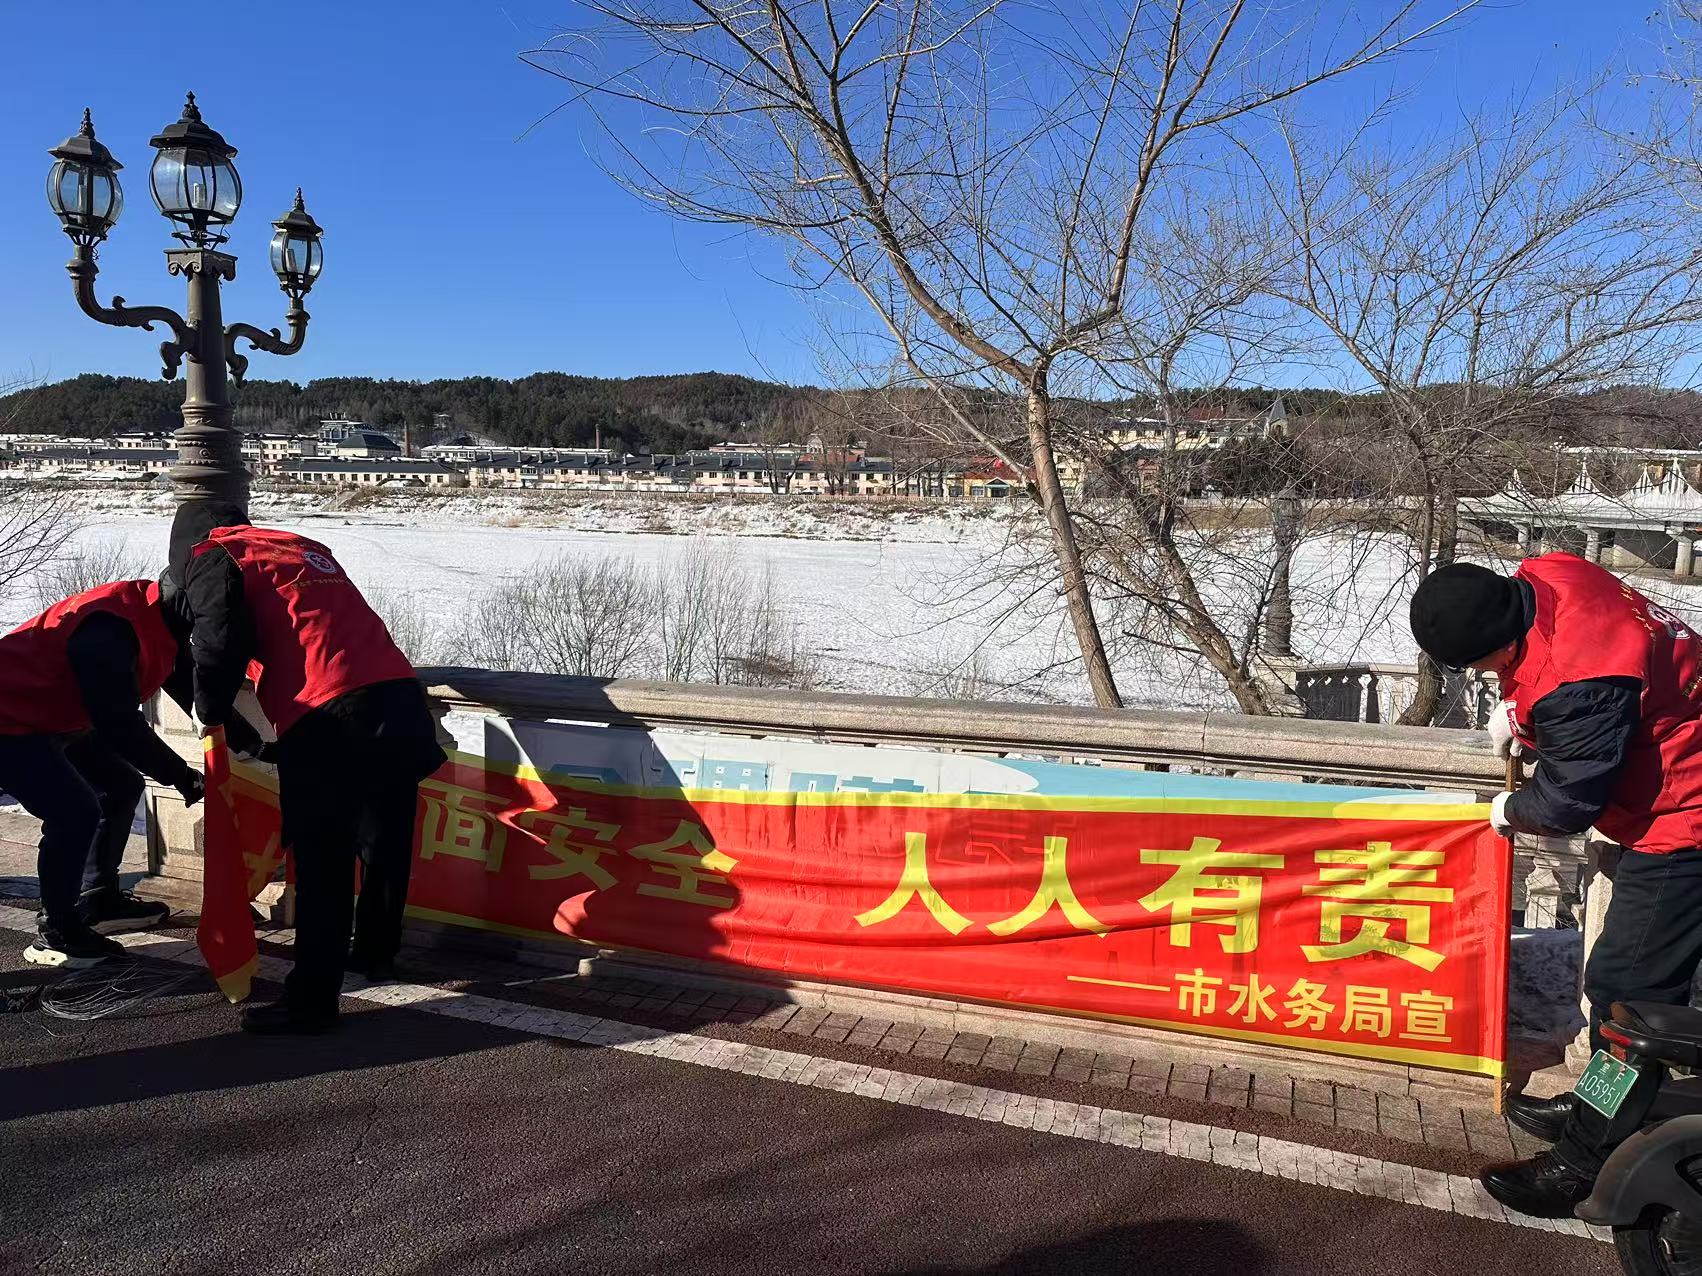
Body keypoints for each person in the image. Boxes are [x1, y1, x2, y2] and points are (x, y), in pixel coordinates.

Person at [1409, 553, 1702, 1219]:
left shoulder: (1581, 681)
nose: (1483, 675)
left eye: (1483, 665)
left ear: (1502, 641)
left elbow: (1569, 802)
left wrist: (1509, 809)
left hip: (1686, 817)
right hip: (1677, 766)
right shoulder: (1551, 572)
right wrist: (1522, 713)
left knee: (1628, 998)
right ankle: (1607, 1100)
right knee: (1630, 990)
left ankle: (1588, 1157)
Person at [171, 502, 446, 1035]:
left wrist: (210, 709)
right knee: (383, 842)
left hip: (329, 714)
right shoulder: (301, 547)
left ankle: (312, 1002)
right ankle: (375, 954)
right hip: (398, 698)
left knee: (324, 861)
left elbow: (219, 639)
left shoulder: (215, 554)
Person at [0, 579, 209, 965]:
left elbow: (190, 686)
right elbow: (118, 724)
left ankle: (98, 898)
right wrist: (181, 774)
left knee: (120, 785)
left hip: (53, 714)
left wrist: (253, 746)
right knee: (74, 812)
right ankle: (58, 929)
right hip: (9, 717)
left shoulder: (168, 619)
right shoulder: (110, 628)